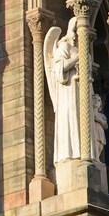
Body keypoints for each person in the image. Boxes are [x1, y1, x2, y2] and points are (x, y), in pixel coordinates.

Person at [44, 18, 82, 163]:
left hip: (81, 92)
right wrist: (77, 58)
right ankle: (70, 154)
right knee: (70, 118)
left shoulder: (80, 49)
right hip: (68, 91)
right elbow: (59, 68)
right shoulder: (64, 47)